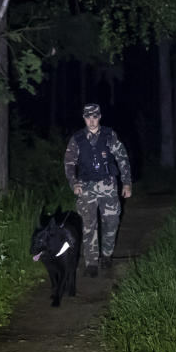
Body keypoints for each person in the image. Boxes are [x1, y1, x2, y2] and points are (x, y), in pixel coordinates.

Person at [64, 103, 133, 277]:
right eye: (88, 117)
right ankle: (91, 262)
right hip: (86, 187)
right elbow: (69, 163)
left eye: (95, 117)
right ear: (84, 118)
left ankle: (107, 255)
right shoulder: (77, 139)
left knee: (111, 222)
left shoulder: (110, 135)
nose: (92, 121)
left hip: (108, 185)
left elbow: (122, 158)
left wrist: (126, 183)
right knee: (88, 225)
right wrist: (74, 183)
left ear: (100, 116)